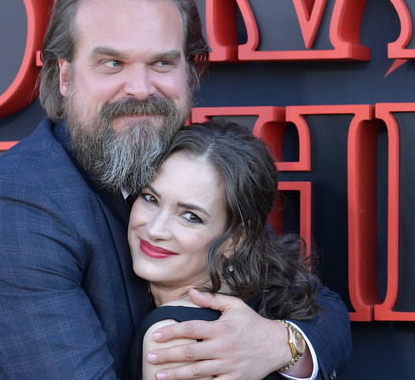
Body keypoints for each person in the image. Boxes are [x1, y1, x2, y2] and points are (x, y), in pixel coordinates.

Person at [0, 0, 351, 380]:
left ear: (188, 73)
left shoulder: (178, 161)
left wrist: (280, 344)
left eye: (162, 62)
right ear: (65, 76)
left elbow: (315, 302)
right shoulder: (15, 209)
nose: (141, 88)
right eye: (113, 63)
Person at [125, 120, 322, 380]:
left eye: (191, 216)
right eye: (151, 198)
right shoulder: (257, 306)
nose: (155, 229)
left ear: (235, 240)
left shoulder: (173, 337)